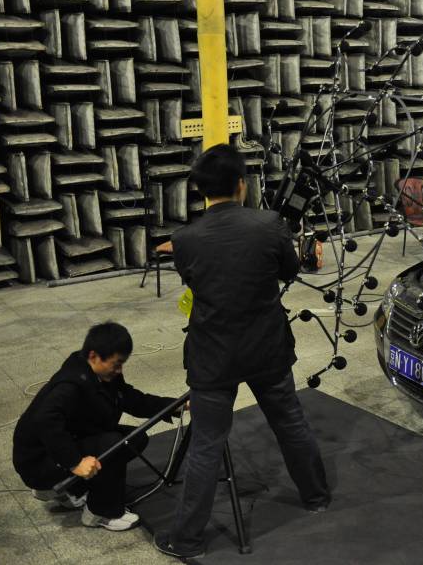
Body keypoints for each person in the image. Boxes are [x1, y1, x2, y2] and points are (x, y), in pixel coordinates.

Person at [153, 144, 330, 560]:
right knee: (289, 422)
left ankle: (187, 539)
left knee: (207, 444)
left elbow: (196, 282)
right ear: (241, 185)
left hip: (213, 356)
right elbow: (289, 271)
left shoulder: (184, 240)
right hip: (267, 349)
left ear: (201, 191)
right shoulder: (270, 225)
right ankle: (316, 497)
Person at [12, 322, 179, 531]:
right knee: (114, 444)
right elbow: (45, 421)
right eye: (116, 364)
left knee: (134, 439)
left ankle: (71, 489)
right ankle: (101, 512)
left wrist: (174, 406)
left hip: (65, 443)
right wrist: (74, 463)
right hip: (38, 462)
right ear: (93, 356)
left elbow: (130, 399)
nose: (119, 370)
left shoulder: (100, 373)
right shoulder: (70, 385)